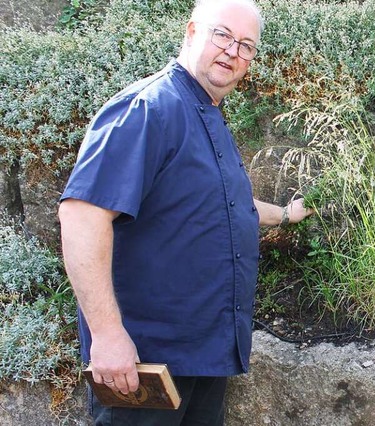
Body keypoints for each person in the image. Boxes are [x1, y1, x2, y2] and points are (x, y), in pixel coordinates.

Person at [58, 0, 313, 424]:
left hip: (205, 355)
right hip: (144, 364)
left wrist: (286, 215)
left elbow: (226, 205)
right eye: (223, 35)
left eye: (246, 45)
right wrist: (106, 336)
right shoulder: (148, 109)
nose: (233, 51)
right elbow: (83, 215)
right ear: (192, 31)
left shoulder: (206, 114)